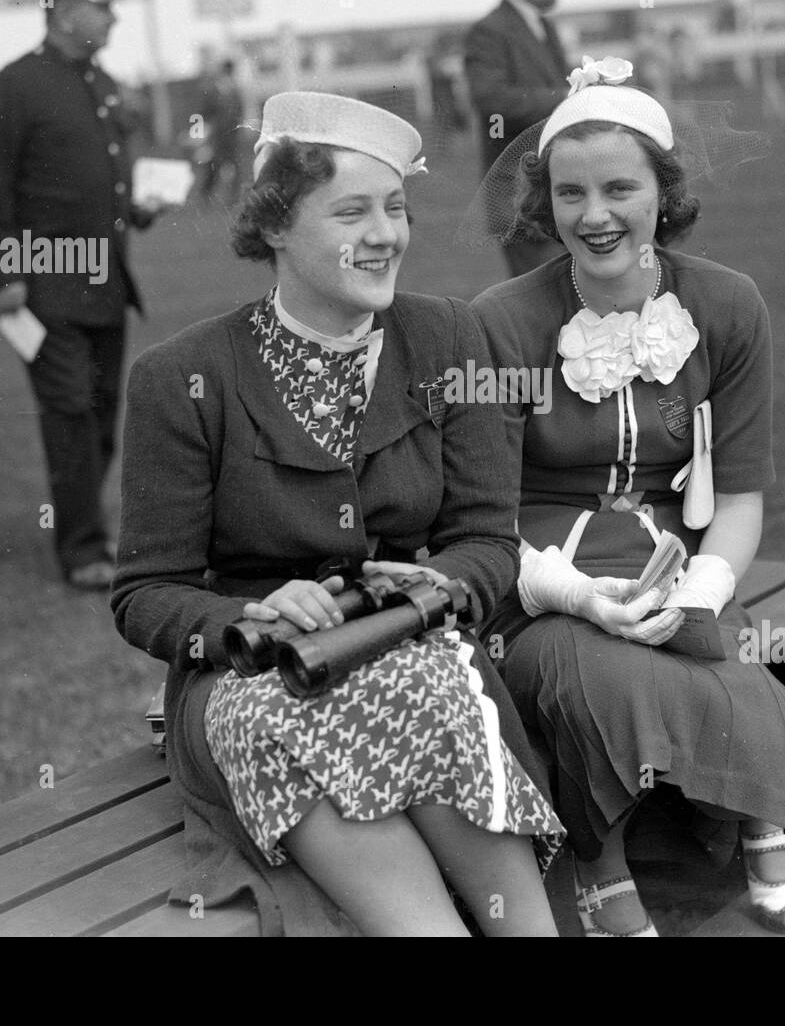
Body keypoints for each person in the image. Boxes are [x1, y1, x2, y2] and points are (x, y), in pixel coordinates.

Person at [111, 91, 564, 937]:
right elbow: (145, 593)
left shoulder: (448, 338)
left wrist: (440, 582)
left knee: (427, 688)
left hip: (407, 642)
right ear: (276, 225)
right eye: (352, 210)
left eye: (396, 209)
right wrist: (246, 613)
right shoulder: (181, 377)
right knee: (283, 717)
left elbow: (486, 540)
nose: (386, 233)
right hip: (255, 674)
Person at [470, 58, 785, 935]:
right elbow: (474, 519)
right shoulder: (500, 321)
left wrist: (704, 585)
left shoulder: (727, 305)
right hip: (539, 580)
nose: (593, 217)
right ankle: (608, 858)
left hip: (680, 561)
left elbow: (738, 494)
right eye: (569, 194)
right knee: (577, 662)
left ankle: (758, 811)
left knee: (710, 635)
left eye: (620, 188)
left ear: (663, 193)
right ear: (544, 202)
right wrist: (573, 593)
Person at [0, 0, 157, 591]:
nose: (114, 16)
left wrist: (139, 208)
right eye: (103, 5)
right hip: (44, 289)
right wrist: (2, 276)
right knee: (70, 410)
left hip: (104, 287)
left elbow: (102, 179)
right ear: (65, 9)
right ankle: (82, 551)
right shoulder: (16, 85)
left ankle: (86, 530)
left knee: (100, 415)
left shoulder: (100, 82)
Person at [464, 0, 573, 277]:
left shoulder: (545, 26)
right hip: (520, 199)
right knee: (546, 311)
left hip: (553, 191)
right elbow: (492, 100)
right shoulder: (490, 31)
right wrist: (569, 97)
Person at [197, 58, 247, 204]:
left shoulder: (235, 91)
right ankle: (206, 193)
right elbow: (204, 113)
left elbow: (239, 111)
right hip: (217, 134)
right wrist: (202, 132)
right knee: (214, 163)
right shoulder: (213, 90)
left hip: (231, 134)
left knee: (234, 164)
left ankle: (233, 195)